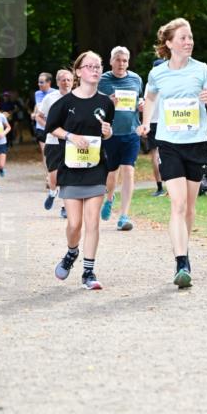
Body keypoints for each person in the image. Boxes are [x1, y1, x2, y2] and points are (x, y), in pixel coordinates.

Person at [138, 17, 207, 288]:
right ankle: (181, 262)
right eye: (183, 38)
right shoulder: (158, 73)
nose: (189, 42)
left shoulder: (202, 70)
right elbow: (150, 98)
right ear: (170, 43)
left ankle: (184, 248)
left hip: (196, 143)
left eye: (191, 37)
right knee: (178, 204)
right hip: (169, 143)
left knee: (190, 207)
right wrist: (146, 123)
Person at [44, 51, 115, 290]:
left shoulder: (106, 103)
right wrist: (71, 136)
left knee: (92, 221)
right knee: (74, 224)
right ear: (78, 71)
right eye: (90, 66)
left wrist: (108, 133)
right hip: (71, 169)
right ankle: (71, 252)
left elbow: (108, 132)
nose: (95, 70)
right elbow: (51, 127)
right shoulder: (65, 103)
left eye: (98, 66)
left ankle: (88, 272)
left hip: (96, 167)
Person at [99, 46, 144, 231]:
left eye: (124, 60)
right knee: (112, 173)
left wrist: (141, 104)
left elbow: (140, 99)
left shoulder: (136, 79)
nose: (121, 63)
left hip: (131, 132)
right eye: (118, 60)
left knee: (128, 170)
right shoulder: (102, 80)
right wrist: (106, 102)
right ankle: (109, 198)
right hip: (110, 133)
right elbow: (93, 104)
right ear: (111, 61)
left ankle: (124, 216)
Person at [37, 68, 74, 215]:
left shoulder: (78, 97)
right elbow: (39, 116)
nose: (66, 82)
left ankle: (65, 207)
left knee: (68, 174)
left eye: (69, 80)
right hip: (53, 141)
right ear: (58, 82)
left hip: (71, 141)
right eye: (63, 80)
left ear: (73, 82)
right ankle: (53, 192)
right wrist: (49, 127)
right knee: (53, 177)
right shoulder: (50, 98)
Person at [145, 57, 166, 196]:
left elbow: (146, 102)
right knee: (169, 154)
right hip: (166, 121)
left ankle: (159, 187)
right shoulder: (168, 81)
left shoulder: (149, 83)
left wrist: (144, 123)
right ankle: (170, 185)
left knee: (155, 155)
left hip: (152, 121)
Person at [33, 72, 57, 185]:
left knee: (53, 153)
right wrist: (34, 113)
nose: (39, 84)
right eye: (39, 82)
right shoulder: (37, 93)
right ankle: (48, 177)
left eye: (42, 82)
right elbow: (37, 106)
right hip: (41, 127)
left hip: (53, 128)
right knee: (45, 152)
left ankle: (54, 175)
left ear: (49, 83)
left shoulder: (55, 93)